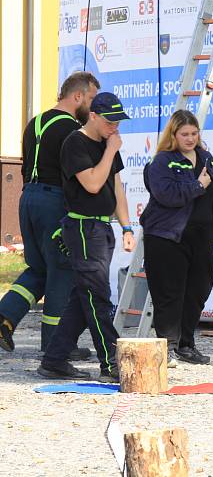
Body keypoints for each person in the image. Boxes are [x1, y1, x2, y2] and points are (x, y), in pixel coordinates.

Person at [37, 92, 136, 382]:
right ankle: (111, 363)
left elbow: (117, 188)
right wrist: (109, 151)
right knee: (98, 297)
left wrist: (127, 228)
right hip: (81, 228)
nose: (114, 127)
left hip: (102, 229)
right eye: (110, 121)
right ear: (93, 115)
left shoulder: (109, 144)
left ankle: (54, 360)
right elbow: (92, 184)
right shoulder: (75, 143)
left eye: (118, 122)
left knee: (85, 297)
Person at [0, 71, 99, 356]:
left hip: (28, 198)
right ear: (77, 96)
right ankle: (57, 346)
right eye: (91, 99)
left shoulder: (35, 123)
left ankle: (4, 317)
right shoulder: (71, 129)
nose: (92, 107)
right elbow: (73, 176)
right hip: (54, 202)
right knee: (62, 271)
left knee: (39, 268)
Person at [140, 110, 213, 365]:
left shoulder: (207, 159)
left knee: (198, 290)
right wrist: (197, 186)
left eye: (194, 133)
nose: (190, 138)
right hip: (166, 237)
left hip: (201, 237)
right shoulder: (162, 161)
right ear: (174, 135)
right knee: (169, 293)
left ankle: (186, 344)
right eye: (185, 134)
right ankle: (168, 346)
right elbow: (167, 195)